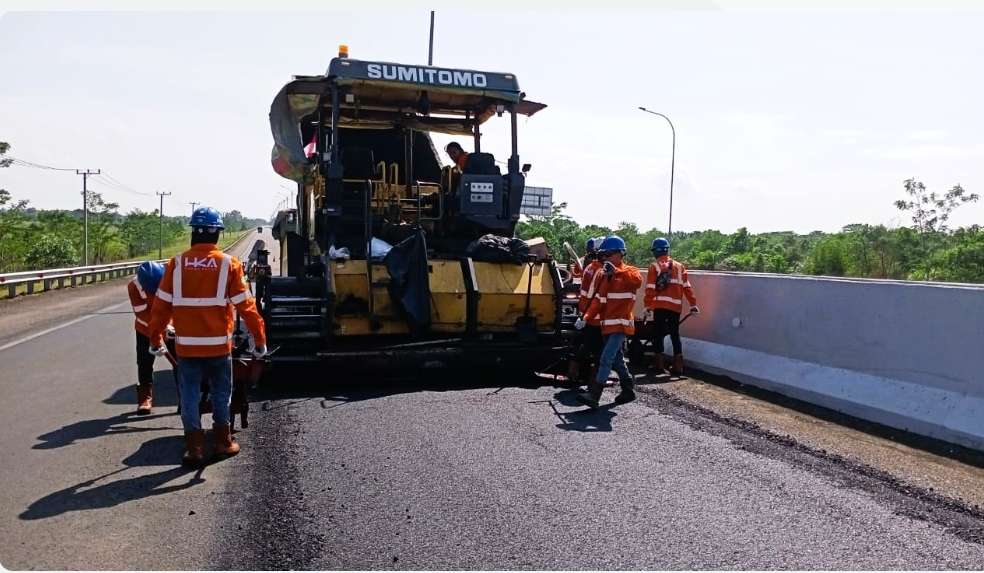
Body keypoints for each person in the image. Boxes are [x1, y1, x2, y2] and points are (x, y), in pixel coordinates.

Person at [147, 207, 267, 467]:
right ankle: (223, 441)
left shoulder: (176, 264)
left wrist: (155, 338)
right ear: (217, 234)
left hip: (187, 348)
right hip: (218, 347)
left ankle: (195, 448)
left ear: (194, 233)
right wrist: (259, 340)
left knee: (189, 395)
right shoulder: (228, 264)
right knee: (221, 393)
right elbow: (247, 307)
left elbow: (160, 308)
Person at [576, 235, 643, 408]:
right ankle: (628, 390)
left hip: (621, 326)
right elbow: (597, 301)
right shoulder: (603, 275)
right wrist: (585, 318)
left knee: (606, 359)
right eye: (603, 255)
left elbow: (637, 281)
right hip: (606, 326)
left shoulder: (630, 271)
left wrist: (616, 271)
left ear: (619, 254)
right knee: (617, 360)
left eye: (607, 254)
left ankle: (594, 395)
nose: (604, 258)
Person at [644, 237, 699, 376]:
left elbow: (650, 288)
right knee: (675, 334)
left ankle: (659, 365)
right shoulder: (680, 267)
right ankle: (678, 366)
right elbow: (687, 287)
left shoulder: (654, 266)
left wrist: (647, 306)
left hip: (660, 306)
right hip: (675, 307)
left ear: (655, 251)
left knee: (658, 334)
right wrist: (693, 304)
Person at [128, 261, 166, 415]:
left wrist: (167, 328)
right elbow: (141, 314)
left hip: (170, 325)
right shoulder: (134, 287)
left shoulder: (170, 280)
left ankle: (184, 400)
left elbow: (176, 306)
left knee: (180, 362)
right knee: (144, 362)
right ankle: (145, 398)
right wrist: (155, 332)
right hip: (145, 327)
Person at [567, 237, 604, 387]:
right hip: (594, 314)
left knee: (584, 343)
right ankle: (589, 378)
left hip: (586, 311)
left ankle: (576, 372)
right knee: (593, 347)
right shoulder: (597, 269)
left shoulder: (589, 267)